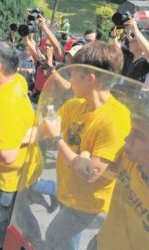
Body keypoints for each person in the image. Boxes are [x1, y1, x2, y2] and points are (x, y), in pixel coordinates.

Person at [43, 41, 131, 250]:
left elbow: (91, 173)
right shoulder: (74, 105)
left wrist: (58, 139)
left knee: (54, 237)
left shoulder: (115, 119)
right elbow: (42, 130)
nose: (69, 79)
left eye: (73, 73)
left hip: (87, 203)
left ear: (90, 78)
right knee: (67, 242)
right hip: (67, 191)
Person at [0, 40, 43, 229]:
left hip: (13, 178)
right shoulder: (12, 81)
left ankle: (21, 243)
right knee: (21, 211)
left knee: (15, 218)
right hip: (23, 170)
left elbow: (7, 155)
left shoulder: (6, 102)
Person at [86, 92, 149, 250]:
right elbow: (94, 172)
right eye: (131, 130)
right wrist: (85, 154)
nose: (127, 139)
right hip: (101, 242)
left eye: (139, 135)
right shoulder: (129, 157)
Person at [112, 17, 149, 85]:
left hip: (135, 95)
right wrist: (114, 37)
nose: (130, 42)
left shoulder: (145, 61)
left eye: (134, 41)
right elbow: (116, 45)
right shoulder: (130, 55)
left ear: (142, 45)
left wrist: (135, 30)